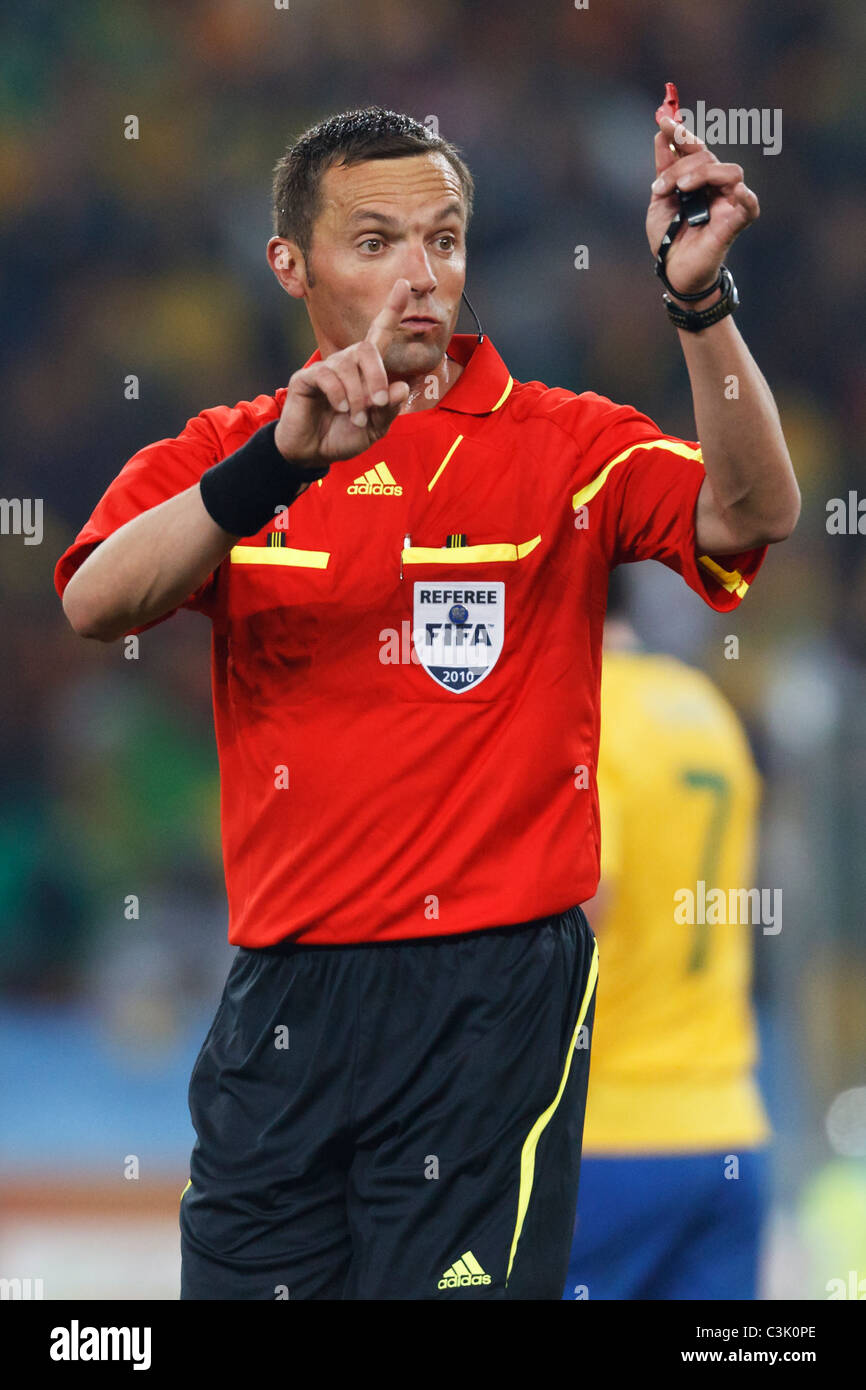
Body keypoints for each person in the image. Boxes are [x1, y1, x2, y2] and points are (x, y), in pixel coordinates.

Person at [54, 105, 798, 1300]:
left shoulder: (562, 444)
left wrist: (698, 307)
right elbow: (96, 599)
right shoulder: (235, 448)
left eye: (443, 240)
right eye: (376, 243)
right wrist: (275, 468)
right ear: (290, 265)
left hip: (487, 1001)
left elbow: (750, 512)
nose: (421, 275)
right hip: (282, 1001)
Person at [563, 573, 771, 1301]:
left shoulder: (582, 712)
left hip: (607, 1136)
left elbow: (586, 903)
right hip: (726, 1128)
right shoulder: (704, 709)